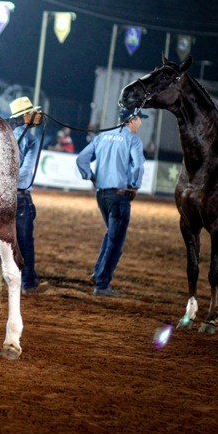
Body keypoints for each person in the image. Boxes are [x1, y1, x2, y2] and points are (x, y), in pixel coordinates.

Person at [76, 108, 147, 297]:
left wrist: (90, 176)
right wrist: (134, 185)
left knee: (111, 234)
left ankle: (98, 272)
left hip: (102, 194)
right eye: (140, 119)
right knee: (116, 241)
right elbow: (138, 165)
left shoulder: (102, 136)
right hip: (119, 195)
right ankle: (102, 284)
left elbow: (82, 158)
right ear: (131, 120)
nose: (141, 123)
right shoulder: (133, 140)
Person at [7, 96, 47, 295]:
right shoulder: (31, 140)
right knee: (25, 241)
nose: (37, 115)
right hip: (19, 196)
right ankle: (29, 282)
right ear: (25, 115)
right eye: (33, 112)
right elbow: (24, 175)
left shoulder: (5, 134)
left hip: (1, 196)